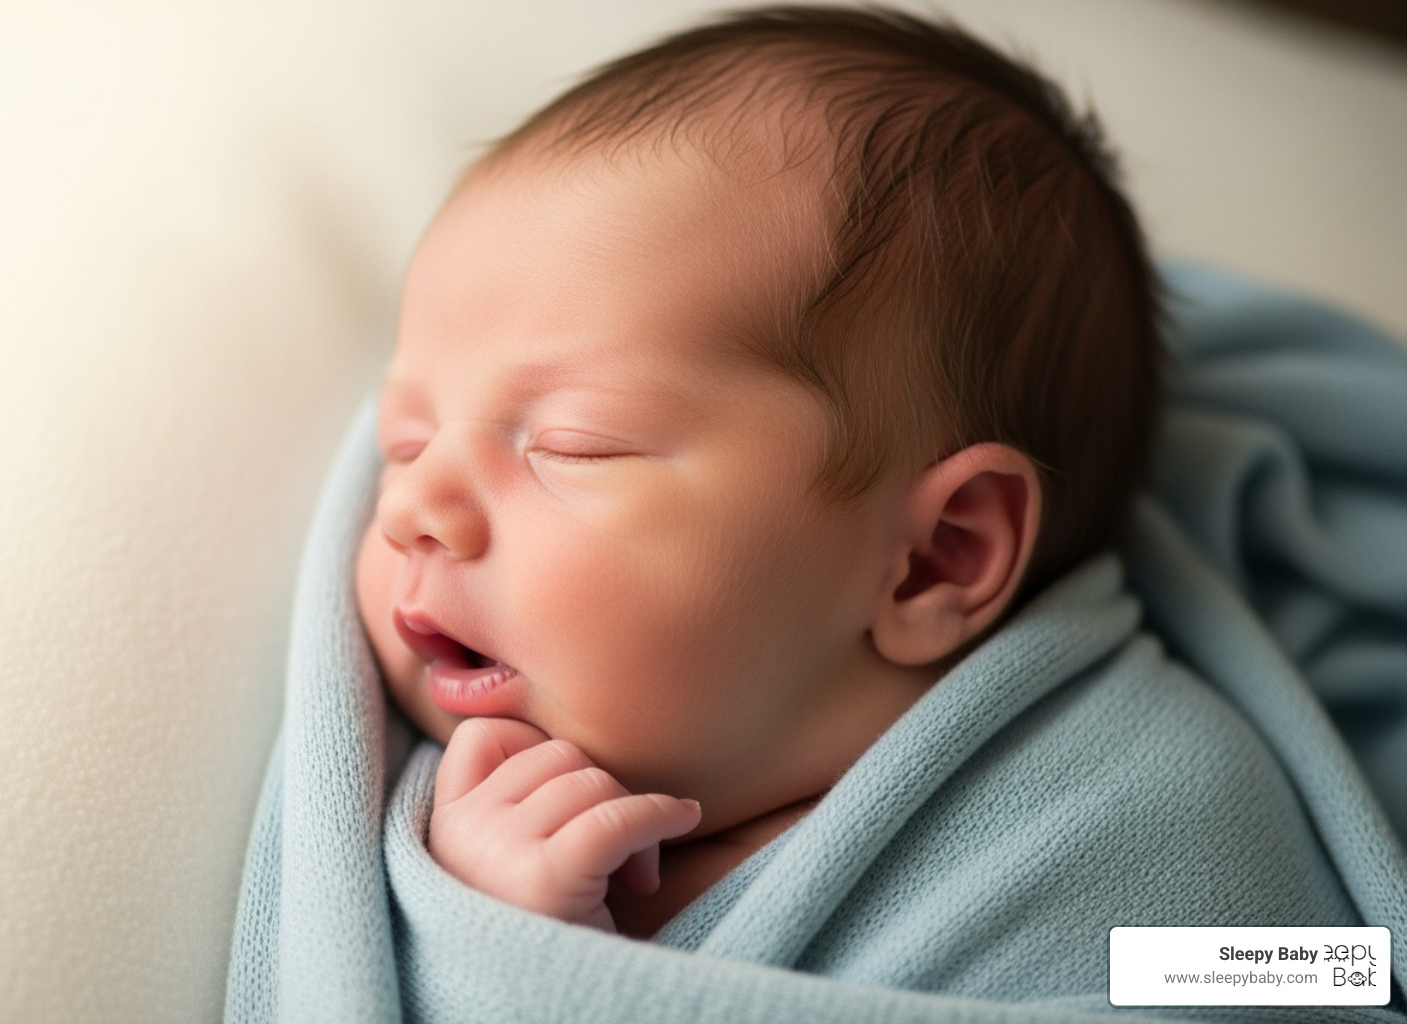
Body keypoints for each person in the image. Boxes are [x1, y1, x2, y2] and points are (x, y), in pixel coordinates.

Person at [353, 4, 1165, 939]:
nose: (412, 505)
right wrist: (481, 928)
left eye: (575, 443)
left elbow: (1321, 981)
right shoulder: (435, 817)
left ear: (934, 557)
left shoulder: (1143, 830)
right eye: (403, 442)